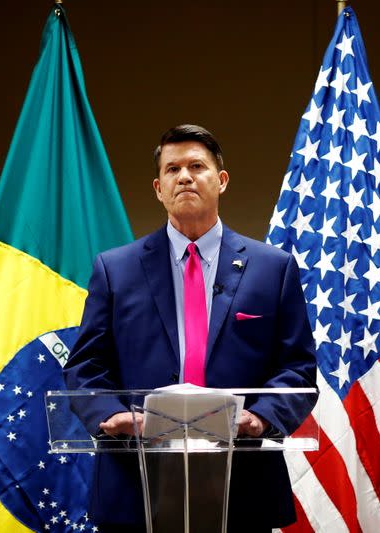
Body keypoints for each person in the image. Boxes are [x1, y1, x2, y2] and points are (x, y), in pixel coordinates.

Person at [63, 124, 317, 532]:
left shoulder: (273, 268)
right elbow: (85, 367)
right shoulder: (115, 269)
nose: (184, 176)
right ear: (158, 188)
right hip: (136, 479)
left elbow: (297, 367)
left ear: (221, 180)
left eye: (196, 166)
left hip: (243, 480)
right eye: (172, 169)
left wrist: (261, 418)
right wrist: (112, 416)